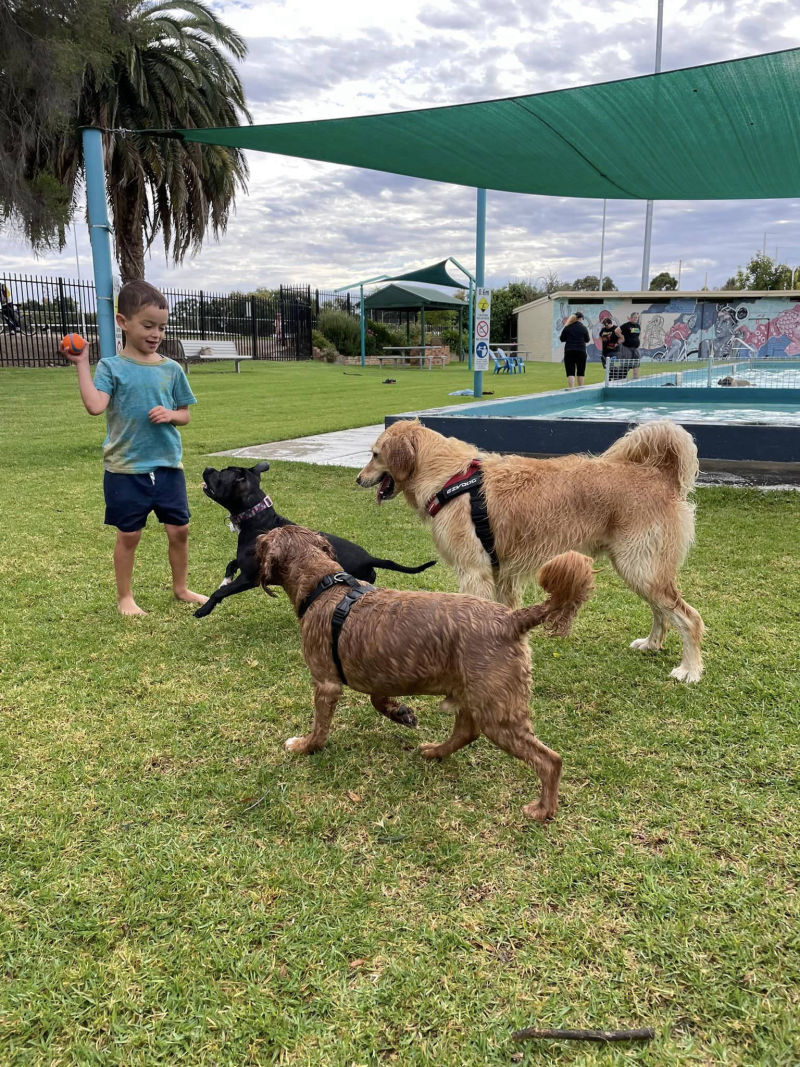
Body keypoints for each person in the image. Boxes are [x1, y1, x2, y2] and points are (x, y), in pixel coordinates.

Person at [64, 279, 207, 616]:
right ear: (122, 322)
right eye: (147, 325)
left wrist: (172, 414)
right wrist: (82, 364)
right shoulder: (111, 367)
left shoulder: (171, 369)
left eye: (161, 327)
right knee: (130, 535)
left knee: (180, 529)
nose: (156, 333)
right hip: (125, 469)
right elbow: (95, 406)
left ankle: (181, 588)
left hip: (168, 465)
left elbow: (185, 415)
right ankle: (125, 598)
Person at [559, 311, 590, 387]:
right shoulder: (584, 328)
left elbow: (562, 338)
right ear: (581, 319)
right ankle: (580, 389)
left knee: (570, 372)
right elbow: (587, 340)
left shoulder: (567, 327)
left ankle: (571, 389)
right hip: (581, 351)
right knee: (580, 372)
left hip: (569, 351)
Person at [619, 311, 642, 379]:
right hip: (627, 348)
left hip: (635, 348)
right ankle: (622, 378)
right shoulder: (626, 325)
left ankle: (635, 378)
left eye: (637, 318)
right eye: (634, 317)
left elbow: (638, 334)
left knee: (636, 363)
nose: (636, 319)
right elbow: (617, 331)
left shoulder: (638, 326)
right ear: (631, 318)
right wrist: (622, 337)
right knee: (626, 363)